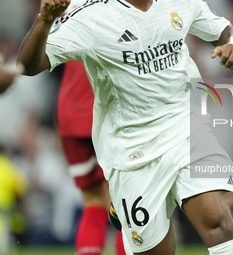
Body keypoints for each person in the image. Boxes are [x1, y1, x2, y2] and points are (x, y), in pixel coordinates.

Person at [17, 0, 233, 254]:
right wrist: (45, 20)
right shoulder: (89, 14)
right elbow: (28, 65)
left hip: (187, 129)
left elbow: (223, 29)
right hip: (133, 152)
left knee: (220, 223)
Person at [56, 1, 128, 254]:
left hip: (70, 114)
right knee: (128, 202)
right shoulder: (123, 9)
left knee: (94, 202)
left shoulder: (69, 7)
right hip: (109, 114)